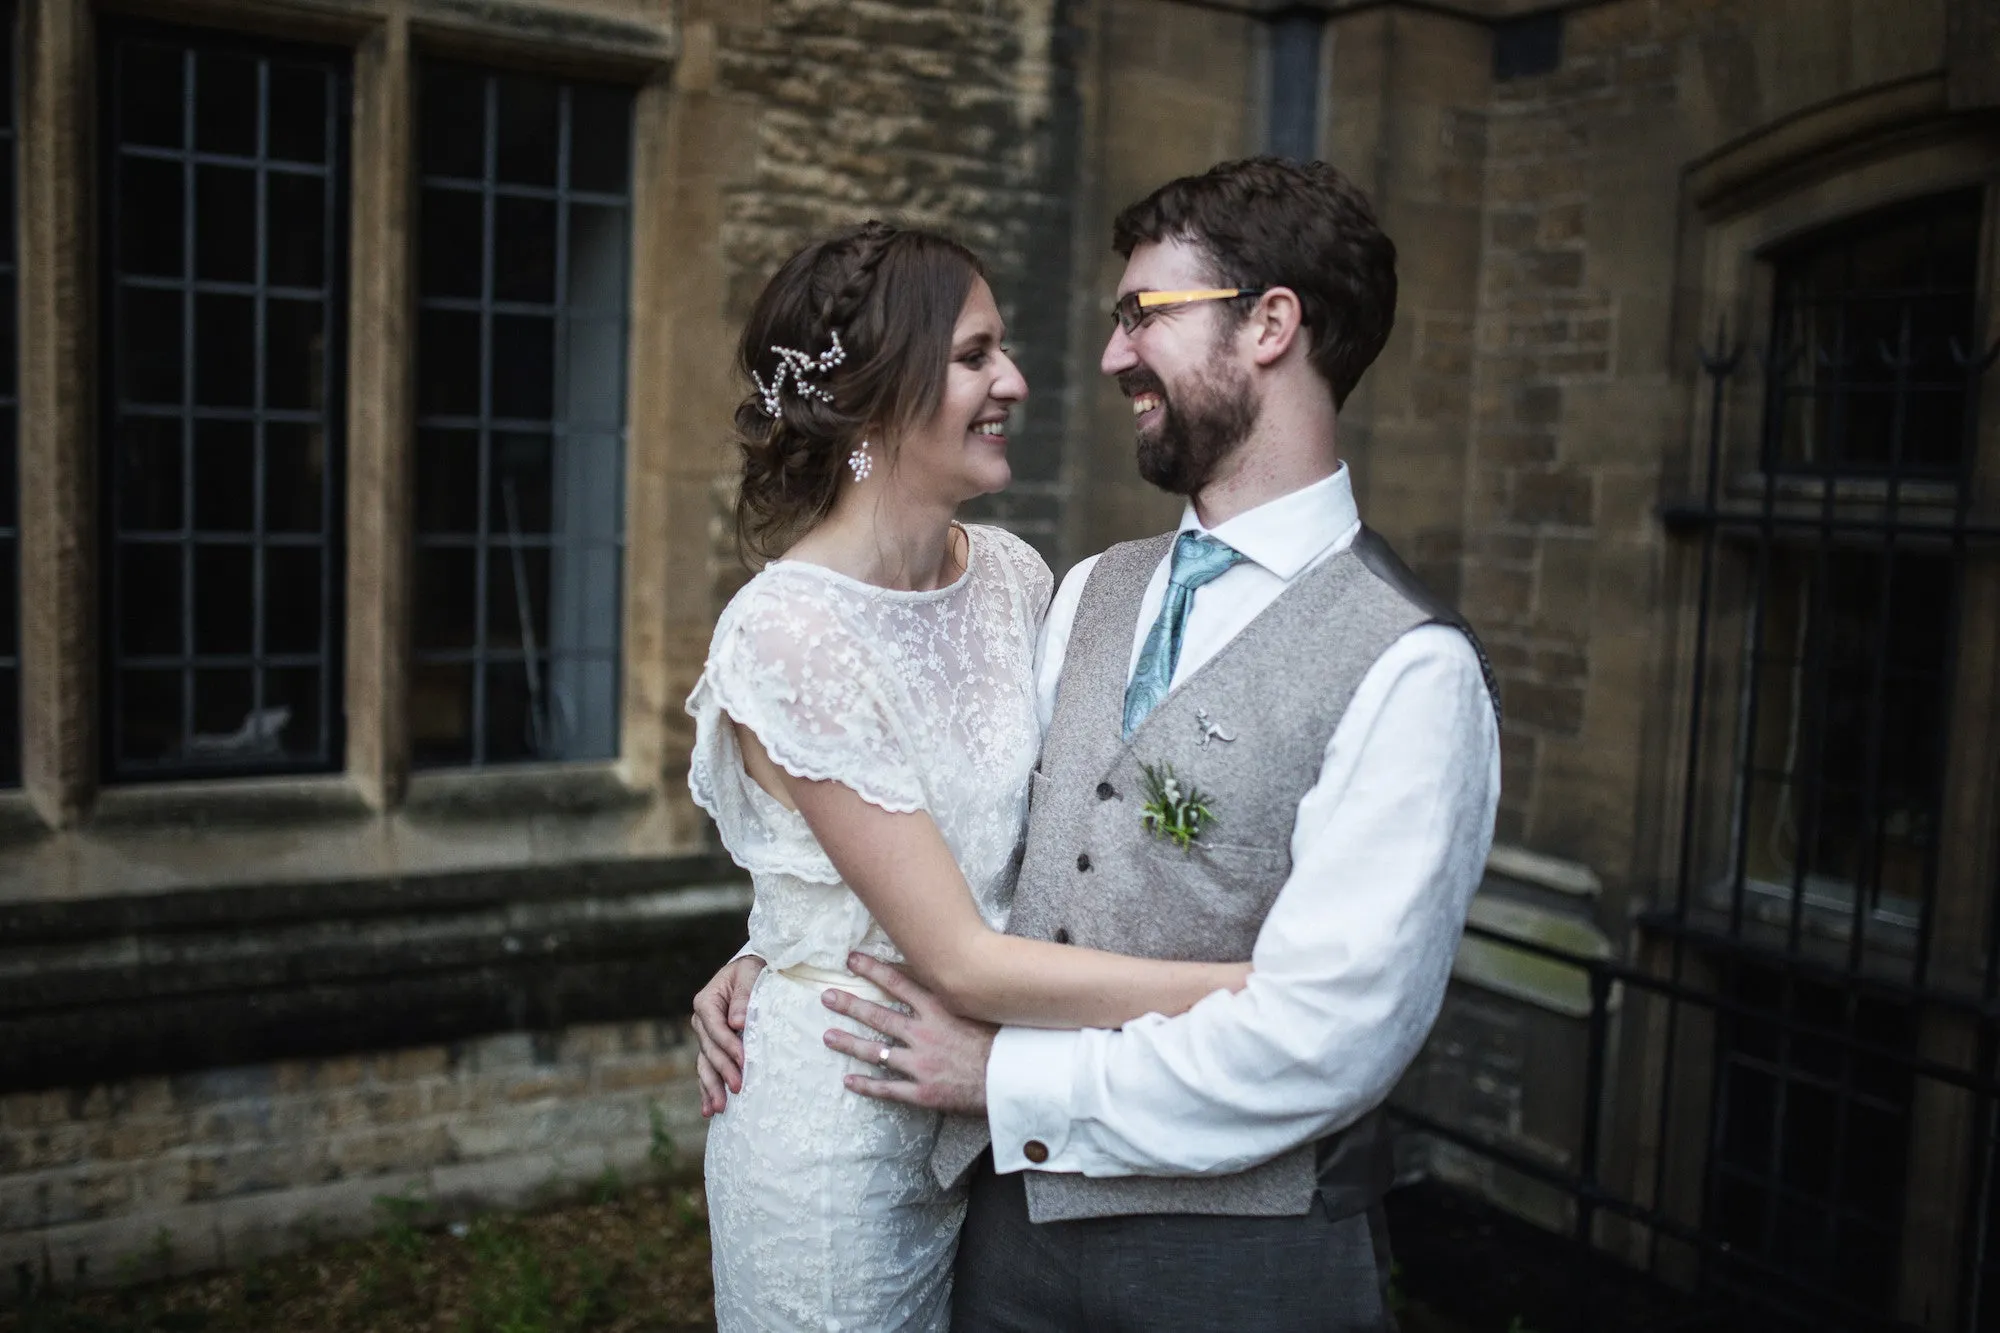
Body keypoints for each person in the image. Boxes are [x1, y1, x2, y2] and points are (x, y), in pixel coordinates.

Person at [693, 158, 1503, 1331]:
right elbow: (955, 837)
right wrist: (780, 946)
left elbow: (1331, 1038)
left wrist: (1009, 1080)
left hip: (1238, 1260)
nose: (1110, 354)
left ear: (1271, 324)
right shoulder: (1079, 594)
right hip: (997, 1223)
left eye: (1143, 316)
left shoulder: (1410, 665)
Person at [687, 220, 1256, 1332]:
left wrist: (775, 935)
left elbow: (1048, 828)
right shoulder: (787, 634)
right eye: (972, 356)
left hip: (994, 1115)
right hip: (839, 1140)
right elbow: (954, 952)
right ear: (870, 394)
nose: (1015, 381)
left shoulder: (1009, 575)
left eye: (1000, 351)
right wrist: (1245, 989)